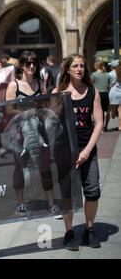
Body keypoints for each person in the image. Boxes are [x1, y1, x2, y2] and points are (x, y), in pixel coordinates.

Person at [52, 54, 103, 251]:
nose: (80, 69)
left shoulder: (92, 92)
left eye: (82, 66)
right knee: (68, 194)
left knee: (92, 191)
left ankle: (89, 230)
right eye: (75, 66)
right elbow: (51, 121)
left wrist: (88, 150)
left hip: (87, 149)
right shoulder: (59, 92)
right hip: (65, 152)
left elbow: (98, 124)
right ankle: (69, 232)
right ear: (67, 69)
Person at [5, 51, 59, 218]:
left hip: (39, 130)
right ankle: (21, 203)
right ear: (21, 65)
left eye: (34, 63)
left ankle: (51, 204)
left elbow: (44, 104)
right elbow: (8, 110)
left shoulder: (39, 82)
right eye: (28, 63)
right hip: (20, 132)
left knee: (44, 165)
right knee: (19, 167)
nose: (31, 66)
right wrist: (25, 112)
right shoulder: (14, 85)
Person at [91, 61, 111, 131]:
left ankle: (99, 126)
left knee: (98, 111)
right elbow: (109, 85)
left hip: (97, 94)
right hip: (105, 93)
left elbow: (91, 85)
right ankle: (106, 126)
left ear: (96, 66)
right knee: (107, 111)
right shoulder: (107, 75)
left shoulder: (93, 75)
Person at [108, 64, 121, 131]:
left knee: (109, 110)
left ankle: (105, 126)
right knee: (120, 110)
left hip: (113, 92)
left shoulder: (111, 73)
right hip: (120, 91)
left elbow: (109, 84)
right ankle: (119, 126)